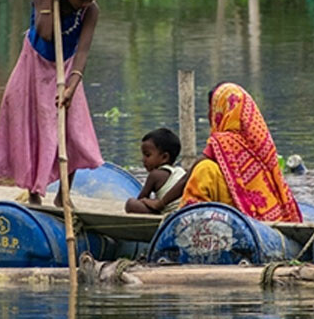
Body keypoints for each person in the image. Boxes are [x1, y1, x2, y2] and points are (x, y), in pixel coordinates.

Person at [0, 0, 107, 205]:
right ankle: (34, 193)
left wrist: (72, 86)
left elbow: (83, 51)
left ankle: (64, 193)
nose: (85, 3)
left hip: (66, 69)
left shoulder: (90, 11)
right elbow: (45, 33)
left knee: (73, 130)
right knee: (31, 126)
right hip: (33, 66)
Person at [177, 82, 303, 223]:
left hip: (243, 214)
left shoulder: (224, 141)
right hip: (272, 212)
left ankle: (192, 217)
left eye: (212, 109)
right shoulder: (257, 140)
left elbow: (191, 173)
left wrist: (161, 203)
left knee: (204, 169)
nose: (209, 115)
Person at [125, 127, 186, 214]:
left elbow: (141, 199)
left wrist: (148, 201)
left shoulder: (155, 175)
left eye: (147, 155)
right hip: (185, 210)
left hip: (170, 212)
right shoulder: (180, 171)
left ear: (164, 157)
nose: (143, 159)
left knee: (131, 203)